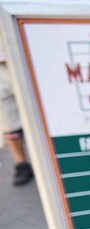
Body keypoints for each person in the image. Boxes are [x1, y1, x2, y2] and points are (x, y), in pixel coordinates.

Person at [0, 39, 33, 186]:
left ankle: (54, 157)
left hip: (22, 55)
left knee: (39, 112)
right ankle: (21, 163)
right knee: (7, 119)